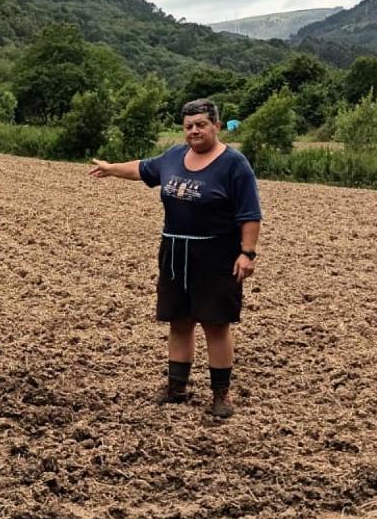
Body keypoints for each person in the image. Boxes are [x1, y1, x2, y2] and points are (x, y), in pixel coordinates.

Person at [89, 98, 262, 418]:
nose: (194, 131)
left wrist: (247, 253)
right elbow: (142, 168)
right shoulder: (173, 157)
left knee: (216, 323)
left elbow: (250, 214)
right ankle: (176, 387)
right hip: (174, 253)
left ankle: (221, 394)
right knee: (179, 320)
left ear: (216, 126)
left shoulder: (234, 164)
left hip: (215, 254)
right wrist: (112, 169)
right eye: (188, 126)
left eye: (201, 125)